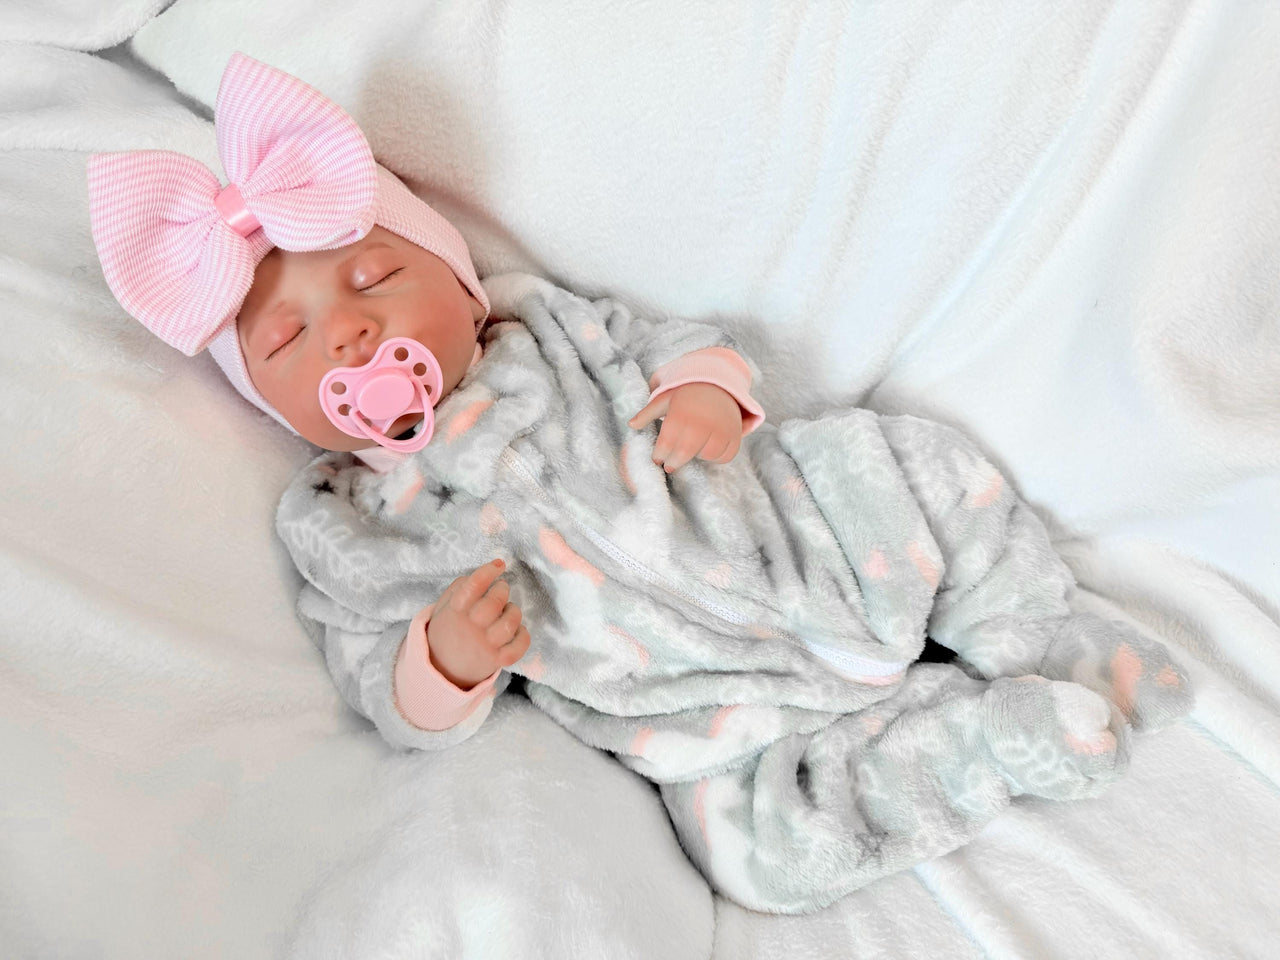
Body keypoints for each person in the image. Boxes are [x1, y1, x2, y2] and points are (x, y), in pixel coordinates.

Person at [88, 53, 1194, 915]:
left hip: (808, 535)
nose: (353, 328)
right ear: (266, 404)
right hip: (700, 710)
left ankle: (1043, 635)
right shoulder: (352, 527)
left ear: (458, 284)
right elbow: (382, 680)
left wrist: (706, 392)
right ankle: (993, 743)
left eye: (375, 276)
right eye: (290, 340)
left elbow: (671, 342)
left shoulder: (546, 332)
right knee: (759, 854)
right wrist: (444, 660)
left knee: (912, 465)